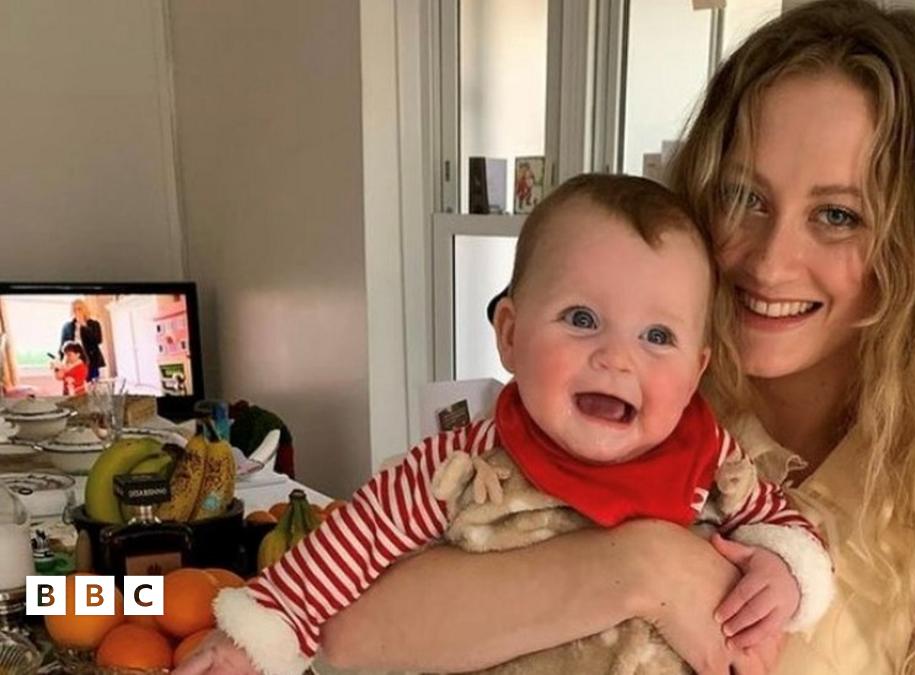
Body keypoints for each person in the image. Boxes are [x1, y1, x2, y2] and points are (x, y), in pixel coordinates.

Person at [194, 1, 915, 673]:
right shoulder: (616, 395)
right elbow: (353, 634)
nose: (770, 260)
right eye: (745, 196)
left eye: (839, 215)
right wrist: (645, 564)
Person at [179, 175, 834, 675]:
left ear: (696, 371)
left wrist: (784, 573)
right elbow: (353, 540)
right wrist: (254, 636)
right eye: (582, 319)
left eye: (657, 336)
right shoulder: (466, 462)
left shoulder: (710, 459)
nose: (617, 357)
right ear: (511, 336)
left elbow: (781, 525)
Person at [59, 299, 105, 382]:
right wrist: (61, 363)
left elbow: (98, 340)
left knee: (92, 385)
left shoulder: (94, 324)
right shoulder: (67, 327)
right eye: (74, 309)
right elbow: (63, 346)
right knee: (75, 385)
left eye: (79, 309)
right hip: (73, 362)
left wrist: (84, 325)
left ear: (85, 310)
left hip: (91, 360)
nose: (77, 311)